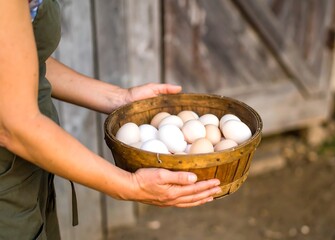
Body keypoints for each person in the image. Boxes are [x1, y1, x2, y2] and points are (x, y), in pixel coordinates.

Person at [0, 0, 222, 239]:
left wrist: (120, 98)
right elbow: (14, 127)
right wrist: (130, 186)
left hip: (30, 165)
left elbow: (21, 61)